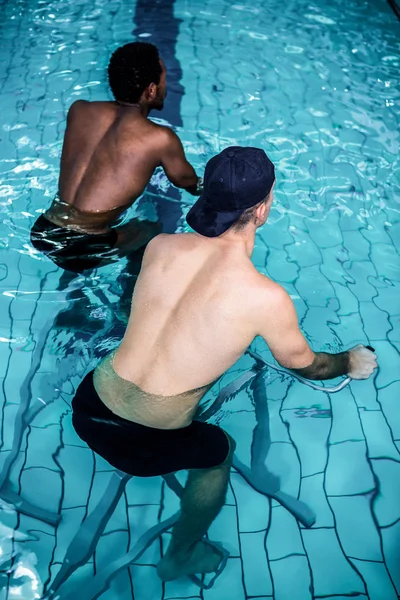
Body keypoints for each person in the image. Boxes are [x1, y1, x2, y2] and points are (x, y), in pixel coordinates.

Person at [71, 146, 378, 581]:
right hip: (144, 445)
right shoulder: (265, 299)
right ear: (264, 207)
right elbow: (306, 365)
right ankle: (179, 556)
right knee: (218, 452)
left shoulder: (160, 245)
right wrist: (349, 360)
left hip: (87, 405)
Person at [30, 42, 202, 273]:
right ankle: (126, 301)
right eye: (163, 80)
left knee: (76, 251)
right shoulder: (160, 138)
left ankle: (71, 281)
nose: (166, 86)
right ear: (151, 90)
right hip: (84, 244)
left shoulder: (80, 109)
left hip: (44, 229)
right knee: (152, 230)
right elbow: (189, 183)